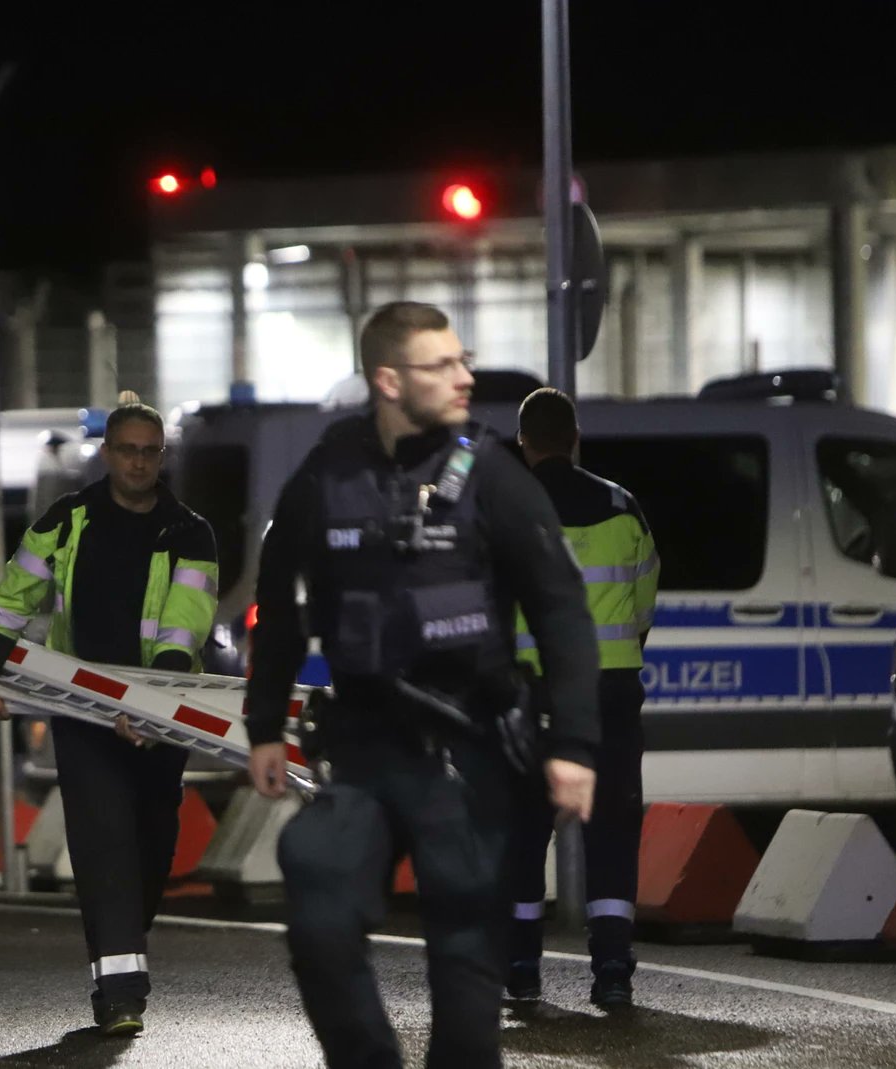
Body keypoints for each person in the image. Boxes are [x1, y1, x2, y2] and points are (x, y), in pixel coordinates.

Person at [243, 301, 601, 1069]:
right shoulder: (328, 471)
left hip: (469, 751)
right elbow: (279, 601)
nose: (465, 377)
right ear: (389, 379)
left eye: (461, 359)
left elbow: (562, 609)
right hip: (366, 748)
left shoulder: (492, 474)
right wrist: (264, 721)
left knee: (466, 955)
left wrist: (573, 745)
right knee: (319, 910)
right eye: (443, 366)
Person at [0, 390, 220, 1037]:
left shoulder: (190, 533)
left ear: (161, 458)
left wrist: (149, 703)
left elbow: (183, 628)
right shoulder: (66, 519)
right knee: (103, 839)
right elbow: (12, 595)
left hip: (159, 713)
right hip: (79, 708)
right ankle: (120, 993)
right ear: (107, 453)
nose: (138, 463)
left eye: (149, 453)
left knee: (153, 843)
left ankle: (121, 945)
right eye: (127, 450)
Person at [505, 387, 660, 1008]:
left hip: (534, 694)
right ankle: (613, 972)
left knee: (521, 830)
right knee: (613, 831)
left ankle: (520, 969)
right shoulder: (624, 508)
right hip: (611, 693)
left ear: (524, 443)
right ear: (574, 437)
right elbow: (644, 599)